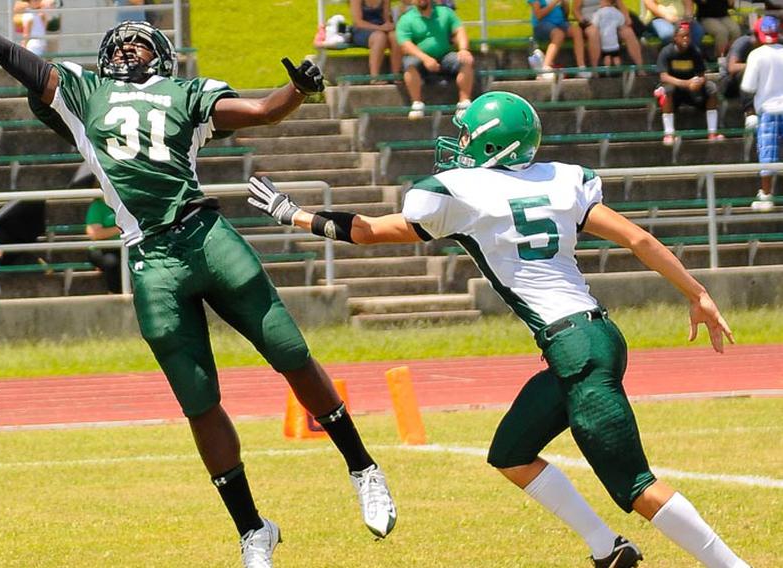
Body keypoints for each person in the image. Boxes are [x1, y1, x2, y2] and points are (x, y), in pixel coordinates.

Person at [0, 3, 396, 567]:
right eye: (117, 43)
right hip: (150, 257)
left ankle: (363, 468)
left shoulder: (186, 93)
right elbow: (1, 47)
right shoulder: (81, 92)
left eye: (138, 43)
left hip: (208, 235)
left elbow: (264, 110)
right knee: (198, 402)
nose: (124, 48)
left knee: (290, 351)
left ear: (163, 57)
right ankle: (253, 530)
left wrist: (296, 91)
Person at [248, 90, 750, 568]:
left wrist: (292, 213)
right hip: (588, 340)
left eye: (468, 137)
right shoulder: (559, 181)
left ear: (493, 145)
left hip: (575, 346)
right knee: (511, 453)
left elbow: (369, 230)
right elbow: (638, 238)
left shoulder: (468, 193)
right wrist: (697, 293)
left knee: (635, 486)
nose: (459, 145)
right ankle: (607, 547)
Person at [395, 0, 474, 119]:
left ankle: (464, 103)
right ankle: (417, 104)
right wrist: (425, 58)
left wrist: (463, 49)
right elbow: (405, 44)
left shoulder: (445, 12)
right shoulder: (406, 19)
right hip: (419, 58)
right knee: (409, 65)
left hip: (445, 56)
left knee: (466, 60)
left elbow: (459, 30)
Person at [655, 22, 724, 145]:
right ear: (675, 38)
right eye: (683, 36)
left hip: (692, 89)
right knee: (667, 90)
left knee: (711, 88)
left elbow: (702, 75)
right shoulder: (666, 52)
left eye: (688, 36)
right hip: (675, 89)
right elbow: (664, 76)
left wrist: (698, 81)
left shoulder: (695, 51)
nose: (686, 39)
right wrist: (686, 83)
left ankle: (712, 132)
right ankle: (669, 133)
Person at [741, 14, 783, 211]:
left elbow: (748, 87)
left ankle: (766, 195)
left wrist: (749, 112)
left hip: (768, 110)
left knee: (768, 153)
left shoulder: (756, 55)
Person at [529, 0, 591, 81]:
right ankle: (545, 67)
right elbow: (538, 15)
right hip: (542, 24)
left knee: (577, 31)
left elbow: (565, 14)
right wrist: (554, 3)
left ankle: (581, 67)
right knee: (559, 34)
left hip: (560, 23)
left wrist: (565, 4)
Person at [573, 0, 645, 69]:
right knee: (593, 32)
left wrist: (626, 17)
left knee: (628, 32)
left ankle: (640, 67)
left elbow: (621, 6)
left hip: (609, 19)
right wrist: (582, 20)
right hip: (590, 21)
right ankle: (594, 69)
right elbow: (576, 10)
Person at [349, 0, 402, 81]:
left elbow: (386, 19)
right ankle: (374, 77)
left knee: (395, 37)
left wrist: (388, 25)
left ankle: (395, 75)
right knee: (379, 37)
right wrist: (380, 28)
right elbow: (358, 22)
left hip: (381, 27)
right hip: (362, 29)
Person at [85, 198, 124, 294]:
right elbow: (95, 234)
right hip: (102, 249)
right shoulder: (97, 205)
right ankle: (114, 295)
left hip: (125, 247)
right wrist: (120, 229)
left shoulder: (126, 202)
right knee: (112, 261)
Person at [593, 0, 627, 66]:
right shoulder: (616, 12)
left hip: (605, 43)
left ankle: (607, 71)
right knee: (616, 56)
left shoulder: (599, 12)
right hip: (614, 43)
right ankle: (618, 68)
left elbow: (594, 23)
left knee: (607, 56)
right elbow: (622, 21)